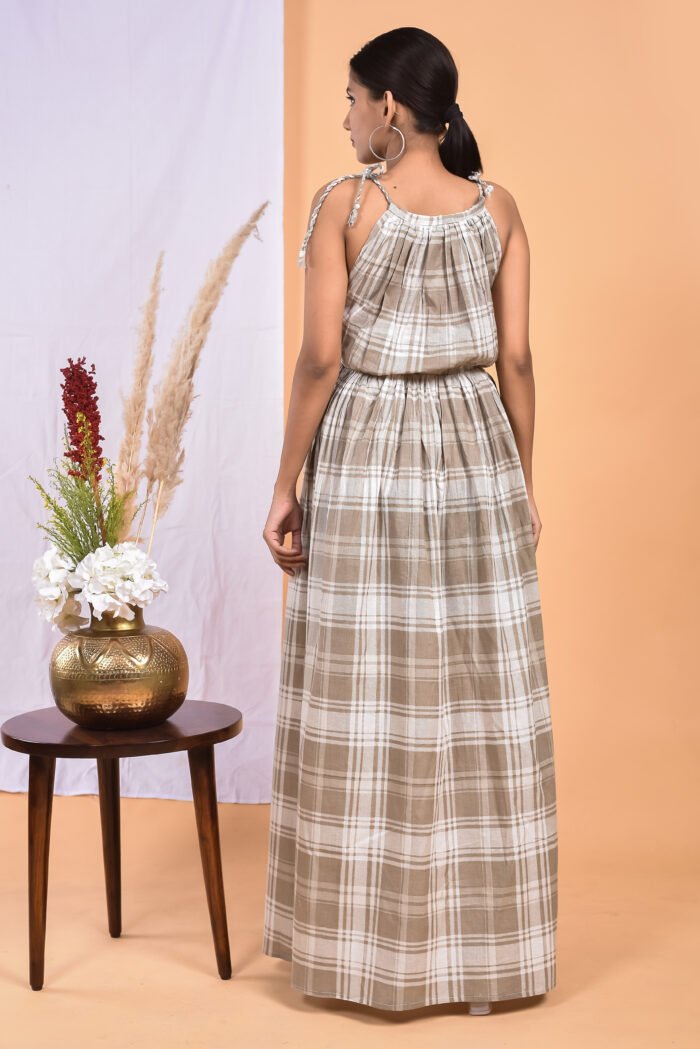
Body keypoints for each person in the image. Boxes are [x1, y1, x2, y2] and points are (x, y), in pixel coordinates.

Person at [261, 26, 557, 1015]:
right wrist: (520, 480)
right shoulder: (498, 207)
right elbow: (515, 362)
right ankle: (481, 966)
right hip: (474, 450)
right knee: (473, 706)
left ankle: (359, 957)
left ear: (390, 105)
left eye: (351, 100)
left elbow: (316, 361)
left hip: (371, 449)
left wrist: (283, 480)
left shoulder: (346, 206)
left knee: (366, 699)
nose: (346, 119)